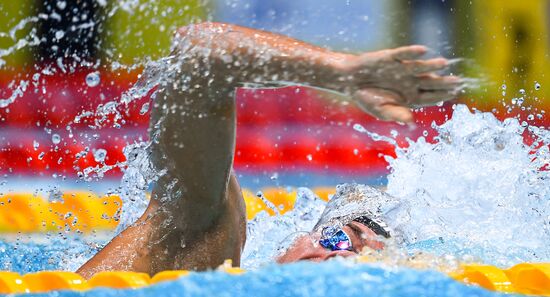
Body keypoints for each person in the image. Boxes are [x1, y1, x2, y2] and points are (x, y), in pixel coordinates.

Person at [76, 22, 462, 278]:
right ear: (297, 239)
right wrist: (341, 72)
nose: (337, 258)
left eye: (363, 270)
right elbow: (197, 54)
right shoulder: (202, 251)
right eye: (339, 238)